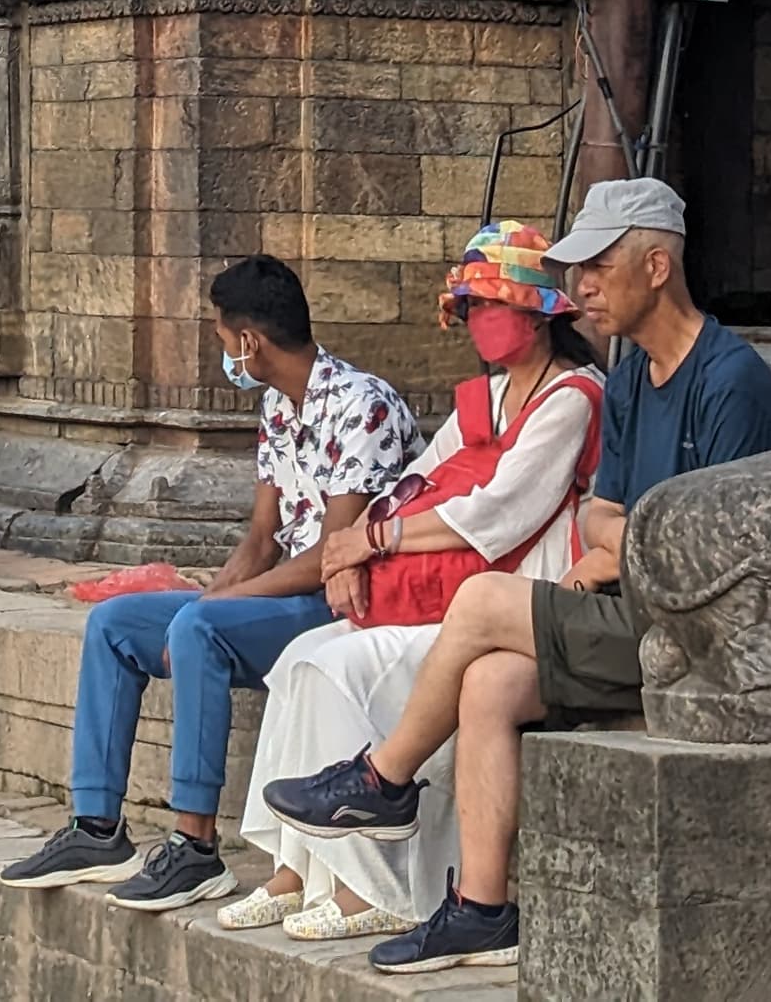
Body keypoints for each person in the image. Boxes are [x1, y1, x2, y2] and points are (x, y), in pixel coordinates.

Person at [263, 175, 771, 975]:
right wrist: (626, 536)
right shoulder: (627, 381)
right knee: (490, 684)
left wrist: (625, 536)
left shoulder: (730, 382)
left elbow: (719, 555)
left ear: (656, 266)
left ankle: (384, 777)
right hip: (634, 601)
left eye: (597, 267)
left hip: (701, 632)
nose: (579, 286)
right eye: (574, 269)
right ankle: (482, 907)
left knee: (481, 600)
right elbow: (600, 517)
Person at [230, 224, 606, 942]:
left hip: (511, 594)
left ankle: (376, 884)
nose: (482, 322)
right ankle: (296, 867)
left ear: (540, 315)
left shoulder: (572, 397)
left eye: (495, 306)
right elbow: (413, 483)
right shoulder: (486, 398)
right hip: (440, 585)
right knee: (301, 661)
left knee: (345, 669)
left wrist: (371, 539)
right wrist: (347, 553)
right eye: (474, 309)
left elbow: (494, 512)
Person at [1, 255, 413, 907]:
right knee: (116, 623)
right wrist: (211, 597)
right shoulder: (279, 405)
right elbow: (259, 539)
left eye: (224, 338)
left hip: (341, 604)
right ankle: (97, 825)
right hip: (283, 593)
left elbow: (332, 555)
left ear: (249, 340)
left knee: (198, 624)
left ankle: (194, 845)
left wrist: (209, 612)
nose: (224, 352)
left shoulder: (364, 406)